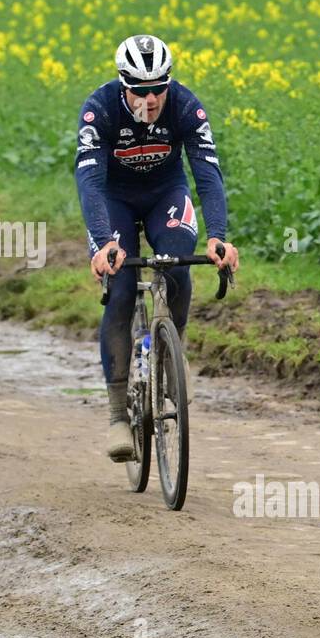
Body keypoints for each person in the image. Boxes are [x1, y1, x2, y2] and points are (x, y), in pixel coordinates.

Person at [75, 34, 238, 461]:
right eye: (140, 91)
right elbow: (89, 182)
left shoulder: (185, 105)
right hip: (115, 200)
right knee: (123, 289)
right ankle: (116, 415)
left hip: (166, 192)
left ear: (169, 83)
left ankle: (172, 344)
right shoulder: (99, 109)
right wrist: (102, 242)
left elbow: (207, 172)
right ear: (122, 85)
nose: (149, 99)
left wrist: (218, 235)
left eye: (157, 90)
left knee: (177, 266)